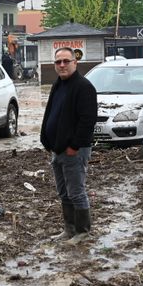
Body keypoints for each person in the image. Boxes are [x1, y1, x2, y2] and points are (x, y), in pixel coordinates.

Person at [39, 47, 98, 245]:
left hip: (74, 150)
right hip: (57, 148)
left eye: (66, 61)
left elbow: (87, 121)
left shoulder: (84, 87)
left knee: (76, 191)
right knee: (63, 192)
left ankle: (82, 231)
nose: (62, 65)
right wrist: (45, 140)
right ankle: (69, 229)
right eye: (58, 62)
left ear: (75, 62)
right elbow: (50, 113)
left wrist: (74, 146)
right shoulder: (58, 85)